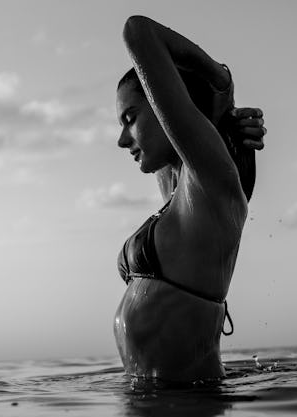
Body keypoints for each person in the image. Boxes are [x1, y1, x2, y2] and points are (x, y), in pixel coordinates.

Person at [113, 15, 266, 381]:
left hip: (193, 407)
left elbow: (137, 31)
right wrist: (221, 112)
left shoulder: (212, 184)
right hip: (155, 405)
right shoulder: (178, 192)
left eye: (130, 118)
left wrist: (220, 79)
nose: (122, 139)